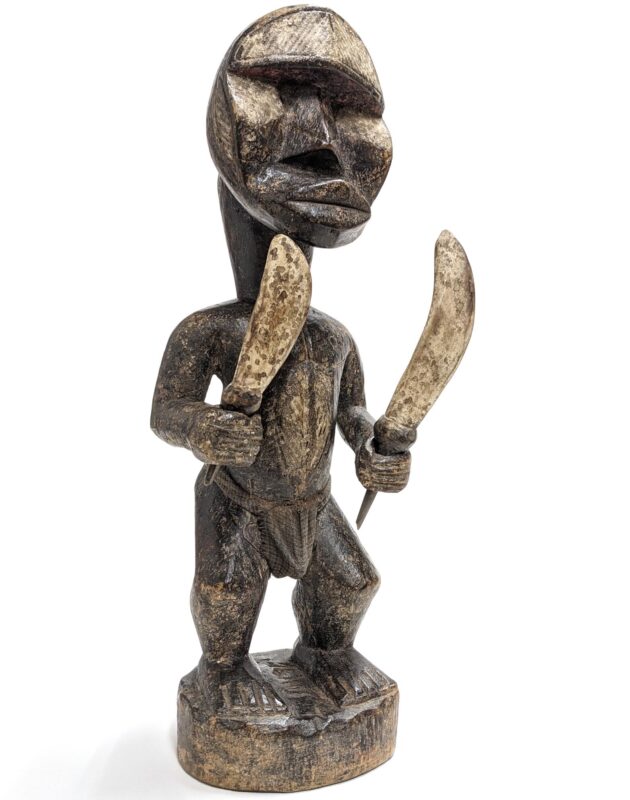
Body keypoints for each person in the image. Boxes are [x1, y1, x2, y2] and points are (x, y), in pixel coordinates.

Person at [151, 6, 413, 714]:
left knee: (351, 583)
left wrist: (374, 444)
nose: (320, 137)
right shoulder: (209, 331)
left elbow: (352, 411)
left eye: (346, 113)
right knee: (226, 589)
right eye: (281, 96)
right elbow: (165, 412)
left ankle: (327, 655)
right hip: (237, 496)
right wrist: (203, 427)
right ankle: (224, 673)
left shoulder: (332, 339)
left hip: (311, 498)